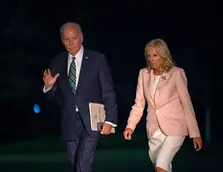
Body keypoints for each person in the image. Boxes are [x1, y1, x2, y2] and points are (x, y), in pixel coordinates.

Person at [42, 22, 118, 172]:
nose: (71, 43)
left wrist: (110, 120)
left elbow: (108, 91)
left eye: (74, 38)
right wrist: (49, 86)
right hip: (70, 122)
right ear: (61, 40)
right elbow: (53, 97)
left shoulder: (97, 60)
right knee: (77, 166)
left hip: (92, 120)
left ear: (81, 37)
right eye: (66, 39)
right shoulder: (57, 62)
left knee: (82, 164)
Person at [123, 38, 202, 172]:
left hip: (175, 128)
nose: (151, 59)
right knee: (163, 168)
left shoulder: (177, 73)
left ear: (163, 55)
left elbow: (186, 104)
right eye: (148, 56)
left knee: (161, 166)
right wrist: (130, 126)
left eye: (155, 55)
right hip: (154, 130)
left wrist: (195, 132)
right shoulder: (143, 74)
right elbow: (139, 104)